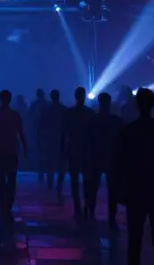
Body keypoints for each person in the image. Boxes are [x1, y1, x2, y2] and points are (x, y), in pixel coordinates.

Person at [114, 88, 154, 265]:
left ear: (136, 105)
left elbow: (119, 162)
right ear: (153, 104)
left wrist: (119, 188)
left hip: (135, 189)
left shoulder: (128, 131)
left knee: (134, 241)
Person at [0, 89, 28, 218]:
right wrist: (25, 148)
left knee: (0, 178)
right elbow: (21, 133)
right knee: (11, 178)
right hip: (11, 149)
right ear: (9, 99)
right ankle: (9, 203)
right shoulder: (15, 115)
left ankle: (3, 204)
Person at [87, 92, 123, 227]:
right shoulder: (115, 121)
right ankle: (111, 217)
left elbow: (88, 138)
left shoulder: (93, 120)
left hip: (95, 155)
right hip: (110, 156)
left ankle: (91, 212)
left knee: (93, 186)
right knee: (112, 188)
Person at [62, 86, 96, 221]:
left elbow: (64, 132)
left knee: (75, 180)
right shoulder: (90, 113)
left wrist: (63, 148)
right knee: (87, 180)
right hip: (86, 150)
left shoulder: (70, 113)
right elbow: (94, 134)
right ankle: (87, 206)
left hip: (74, 149)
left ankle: (78, 207)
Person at [38, 89, 67, 199]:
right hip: (60, 139)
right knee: (61, 164)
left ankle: (50, 185)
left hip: (50, 139)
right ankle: (58, 186)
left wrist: (40, 138)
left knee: (50, 163)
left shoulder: (47, 110)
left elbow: (41, 125)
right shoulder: (63, 109)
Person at [27, 89, 49, 181]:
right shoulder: (47, 104)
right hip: (46, 131)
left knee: (39, 151)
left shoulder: (34, 105)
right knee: (46, 152)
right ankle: (45, 170)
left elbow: (30, 117)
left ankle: (41, 170)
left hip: (38, 131)